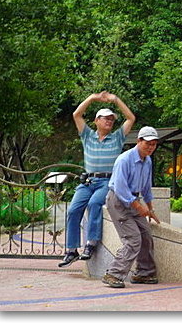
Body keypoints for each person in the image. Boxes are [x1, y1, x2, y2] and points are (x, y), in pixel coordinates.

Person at [58, 91, 135, 268]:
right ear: (96, 121)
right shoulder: (87, 135)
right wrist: (92, 98)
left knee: (94, 204)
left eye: (111, 119)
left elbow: (130, 118)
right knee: (73, 209)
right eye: (105, 118)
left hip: (107, 182)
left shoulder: (116, 137)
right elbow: (76, 114)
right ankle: (71, 250)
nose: (109, 121)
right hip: (88, 182)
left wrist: (116, 99)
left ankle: (91, 244)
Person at [101, 126, 161, 288]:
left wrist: (150, 209)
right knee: (133, 239)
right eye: (147, 143)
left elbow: (147, 188)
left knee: (146, 235)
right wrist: (138, 206)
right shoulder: (124, 159)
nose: (150, 147)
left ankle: (144, 273)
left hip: (134, 199)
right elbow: (120, 188)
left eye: (154, 144)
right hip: (118, 201)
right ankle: (113, 274)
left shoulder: (147, 161)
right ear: (139, 141)